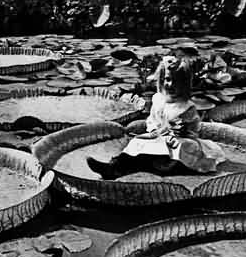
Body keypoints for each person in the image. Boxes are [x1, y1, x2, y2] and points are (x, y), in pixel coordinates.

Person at [87, 55, 226, 180]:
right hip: (159, 136)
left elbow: (193, 130)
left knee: (180, 147)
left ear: (184, 84)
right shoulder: (158, 99)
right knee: (137, 142)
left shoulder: (187, 107)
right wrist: (154, 129)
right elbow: (152, 120)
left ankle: (160, 165)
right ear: (161, 80)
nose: (170, 85)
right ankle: (114, 166)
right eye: (167, 79)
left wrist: (182, 132)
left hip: (179, 140)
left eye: (176, 82)